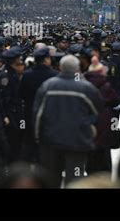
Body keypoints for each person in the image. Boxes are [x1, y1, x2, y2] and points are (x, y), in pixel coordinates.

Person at [33, 55, 103, 187]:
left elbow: (38, 114)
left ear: (60, 67)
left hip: (51, 140)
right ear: (77, 68)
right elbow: (98, 111)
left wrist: (38, 137)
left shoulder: (47, 86)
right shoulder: (87, 88)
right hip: (78, 141)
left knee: (52, 177)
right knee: (75, 177)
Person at [19, 47, 57, 162]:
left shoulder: (26, 75)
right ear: (46, 59)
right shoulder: (54, 75)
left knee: (30, 141)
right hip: (49, 113)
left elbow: (21, 94)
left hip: (30, 112)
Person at [84, 57, 119, 174]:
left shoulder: (83, 85)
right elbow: (115, 101)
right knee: (104, 158)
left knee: (91, 157)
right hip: (104, 124)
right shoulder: (106, 86)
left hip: (88, 124)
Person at [0, 47, 25, 162]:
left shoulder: (12, 73)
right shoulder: (6, 76)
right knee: (13, 139)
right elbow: (5, 98)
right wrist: (7, 115)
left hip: (16, 111)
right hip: (12, 113)